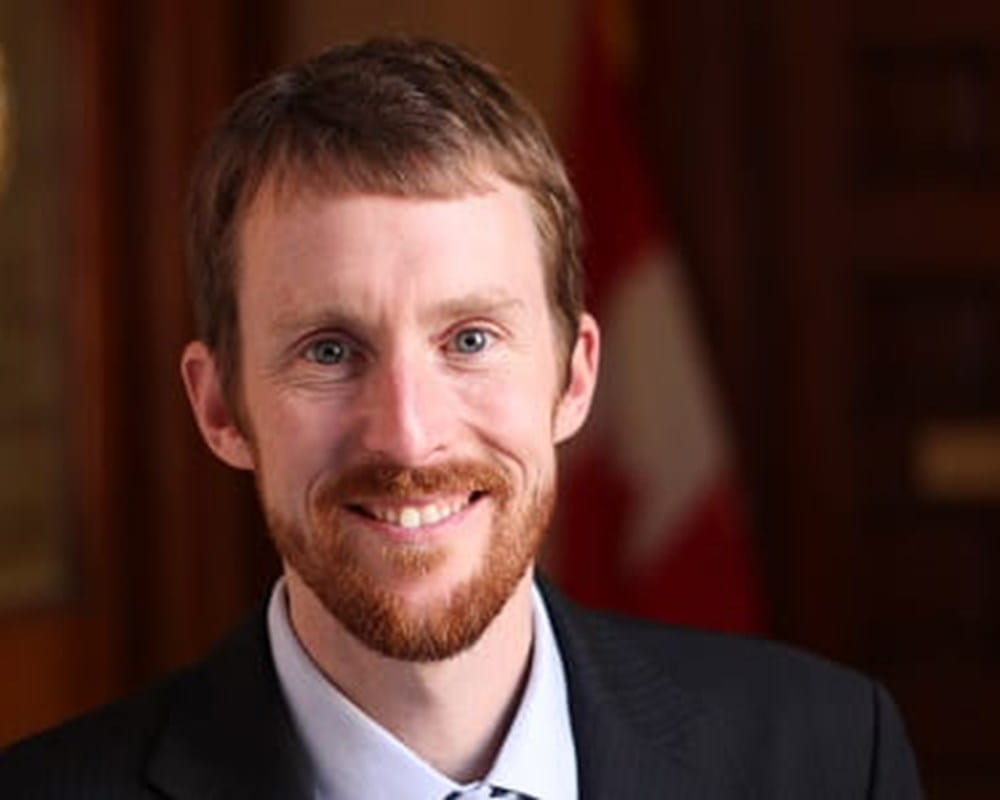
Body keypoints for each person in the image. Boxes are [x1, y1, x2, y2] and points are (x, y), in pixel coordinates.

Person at [1, 37, 922, 798]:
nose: (408, 435)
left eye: (471, 339)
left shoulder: (832, 758)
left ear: (574, 376)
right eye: (329, 350)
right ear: (218, 408)